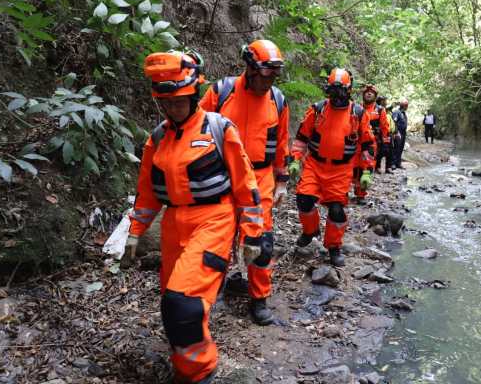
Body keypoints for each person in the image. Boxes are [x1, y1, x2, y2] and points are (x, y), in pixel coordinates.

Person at [124, 50, 266, 384]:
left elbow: (246, 186)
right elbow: (147, 191)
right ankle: (184, 362)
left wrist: (252, 233)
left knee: (183, 305)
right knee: (172, 304)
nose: (173, 109)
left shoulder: (218, 129)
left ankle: (201, 372)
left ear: (193, 95)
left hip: (214, 220)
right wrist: (135, 231)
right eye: (167, 103)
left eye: (179, 101)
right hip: (174, 224)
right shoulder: (157, 137)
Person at [199, 39, 289, 326]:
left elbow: (281, 142)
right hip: (222, 176)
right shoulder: (221, 92)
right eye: (266, 73)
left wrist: (282, 180)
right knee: (217, 239)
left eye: (275, 74)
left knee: (262, 240)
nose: (270, 80)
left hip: (259, 179)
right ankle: (208, 295)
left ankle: (259, 299)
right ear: (250, 68)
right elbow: (196, 129)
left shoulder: (277, 100)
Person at [288, 68, 374, 266]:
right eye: (333, 92)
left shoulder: (357, 114)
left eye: (340, 91)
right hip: (315, 164)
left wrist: (366, 171)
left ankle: (333, 246)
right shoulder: (318, 110)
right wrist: (295, 159)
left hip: (341, 169)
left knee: (336, 209)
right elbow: (302, 137)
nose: (336, 97)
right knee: (304, 199)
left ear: (349, 90)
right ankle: (310, 231)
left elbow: (368, 145)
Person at [352, 85, 388, 202]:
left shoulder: (379, 110)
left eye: (371, 93)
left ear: (375, 96)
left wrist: (385, 143)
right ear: (363, 95)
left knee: (366, 168)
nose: (368, 94)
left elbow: (384, 127)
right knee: (352, 167)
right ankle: (344, 191)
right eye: (367, 92)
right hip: (355, 142)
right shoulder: (356, 108)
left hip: (372, 143)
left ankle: (361, 194)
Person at [378, 97, 396, 173]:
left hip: (389, 133)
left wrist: (395, 132)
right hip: (381, 133)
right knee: (380, 150)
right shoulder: (378, 109)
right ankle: (377, 166)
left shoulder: (386, 111)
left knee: (390, 150)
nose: (385, 102)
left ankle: (388, 167)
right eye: (384, 101)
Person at [392, 99, 408, 169]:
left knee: (401, 148)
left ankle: (398, 163)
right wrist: (396, 132)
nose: (407, 107)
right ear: (403, 106)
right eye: (406, 106)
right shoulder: (397, 112)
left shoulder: (403, 113)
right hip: (398, 132)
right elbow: (394, 122)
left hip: (403, 133)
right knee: (396, 148)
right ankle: (393, 164)